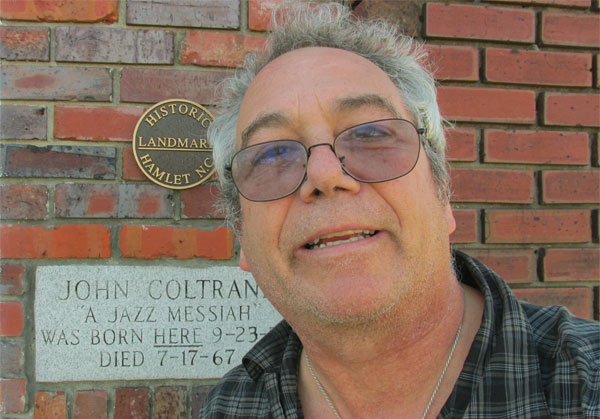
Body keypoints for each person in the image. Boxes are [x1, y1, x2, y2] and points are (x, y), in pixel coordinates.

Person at [200, 3, 599, 418]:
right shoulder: (230, 407)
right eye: (273, 154)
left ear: (442, 193)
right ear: (242, 235)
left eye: (371, 134)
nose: (323, 173)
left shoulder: (584, 384)